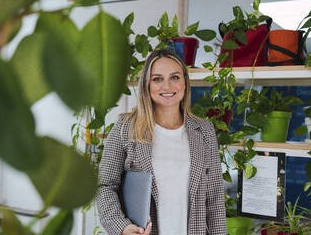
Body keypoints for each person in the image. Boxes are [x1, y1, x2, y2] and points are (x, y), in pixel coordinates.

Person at [97, 49, 227, 235]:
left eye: (174, 77)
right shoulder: (125, 128)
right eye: (157, 79)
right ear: (147, 85)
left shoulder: (204, 130)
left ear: (185, 83)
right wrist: (122, 227)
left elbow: (214, 198)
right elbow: (105, 186)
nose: (167, 86)